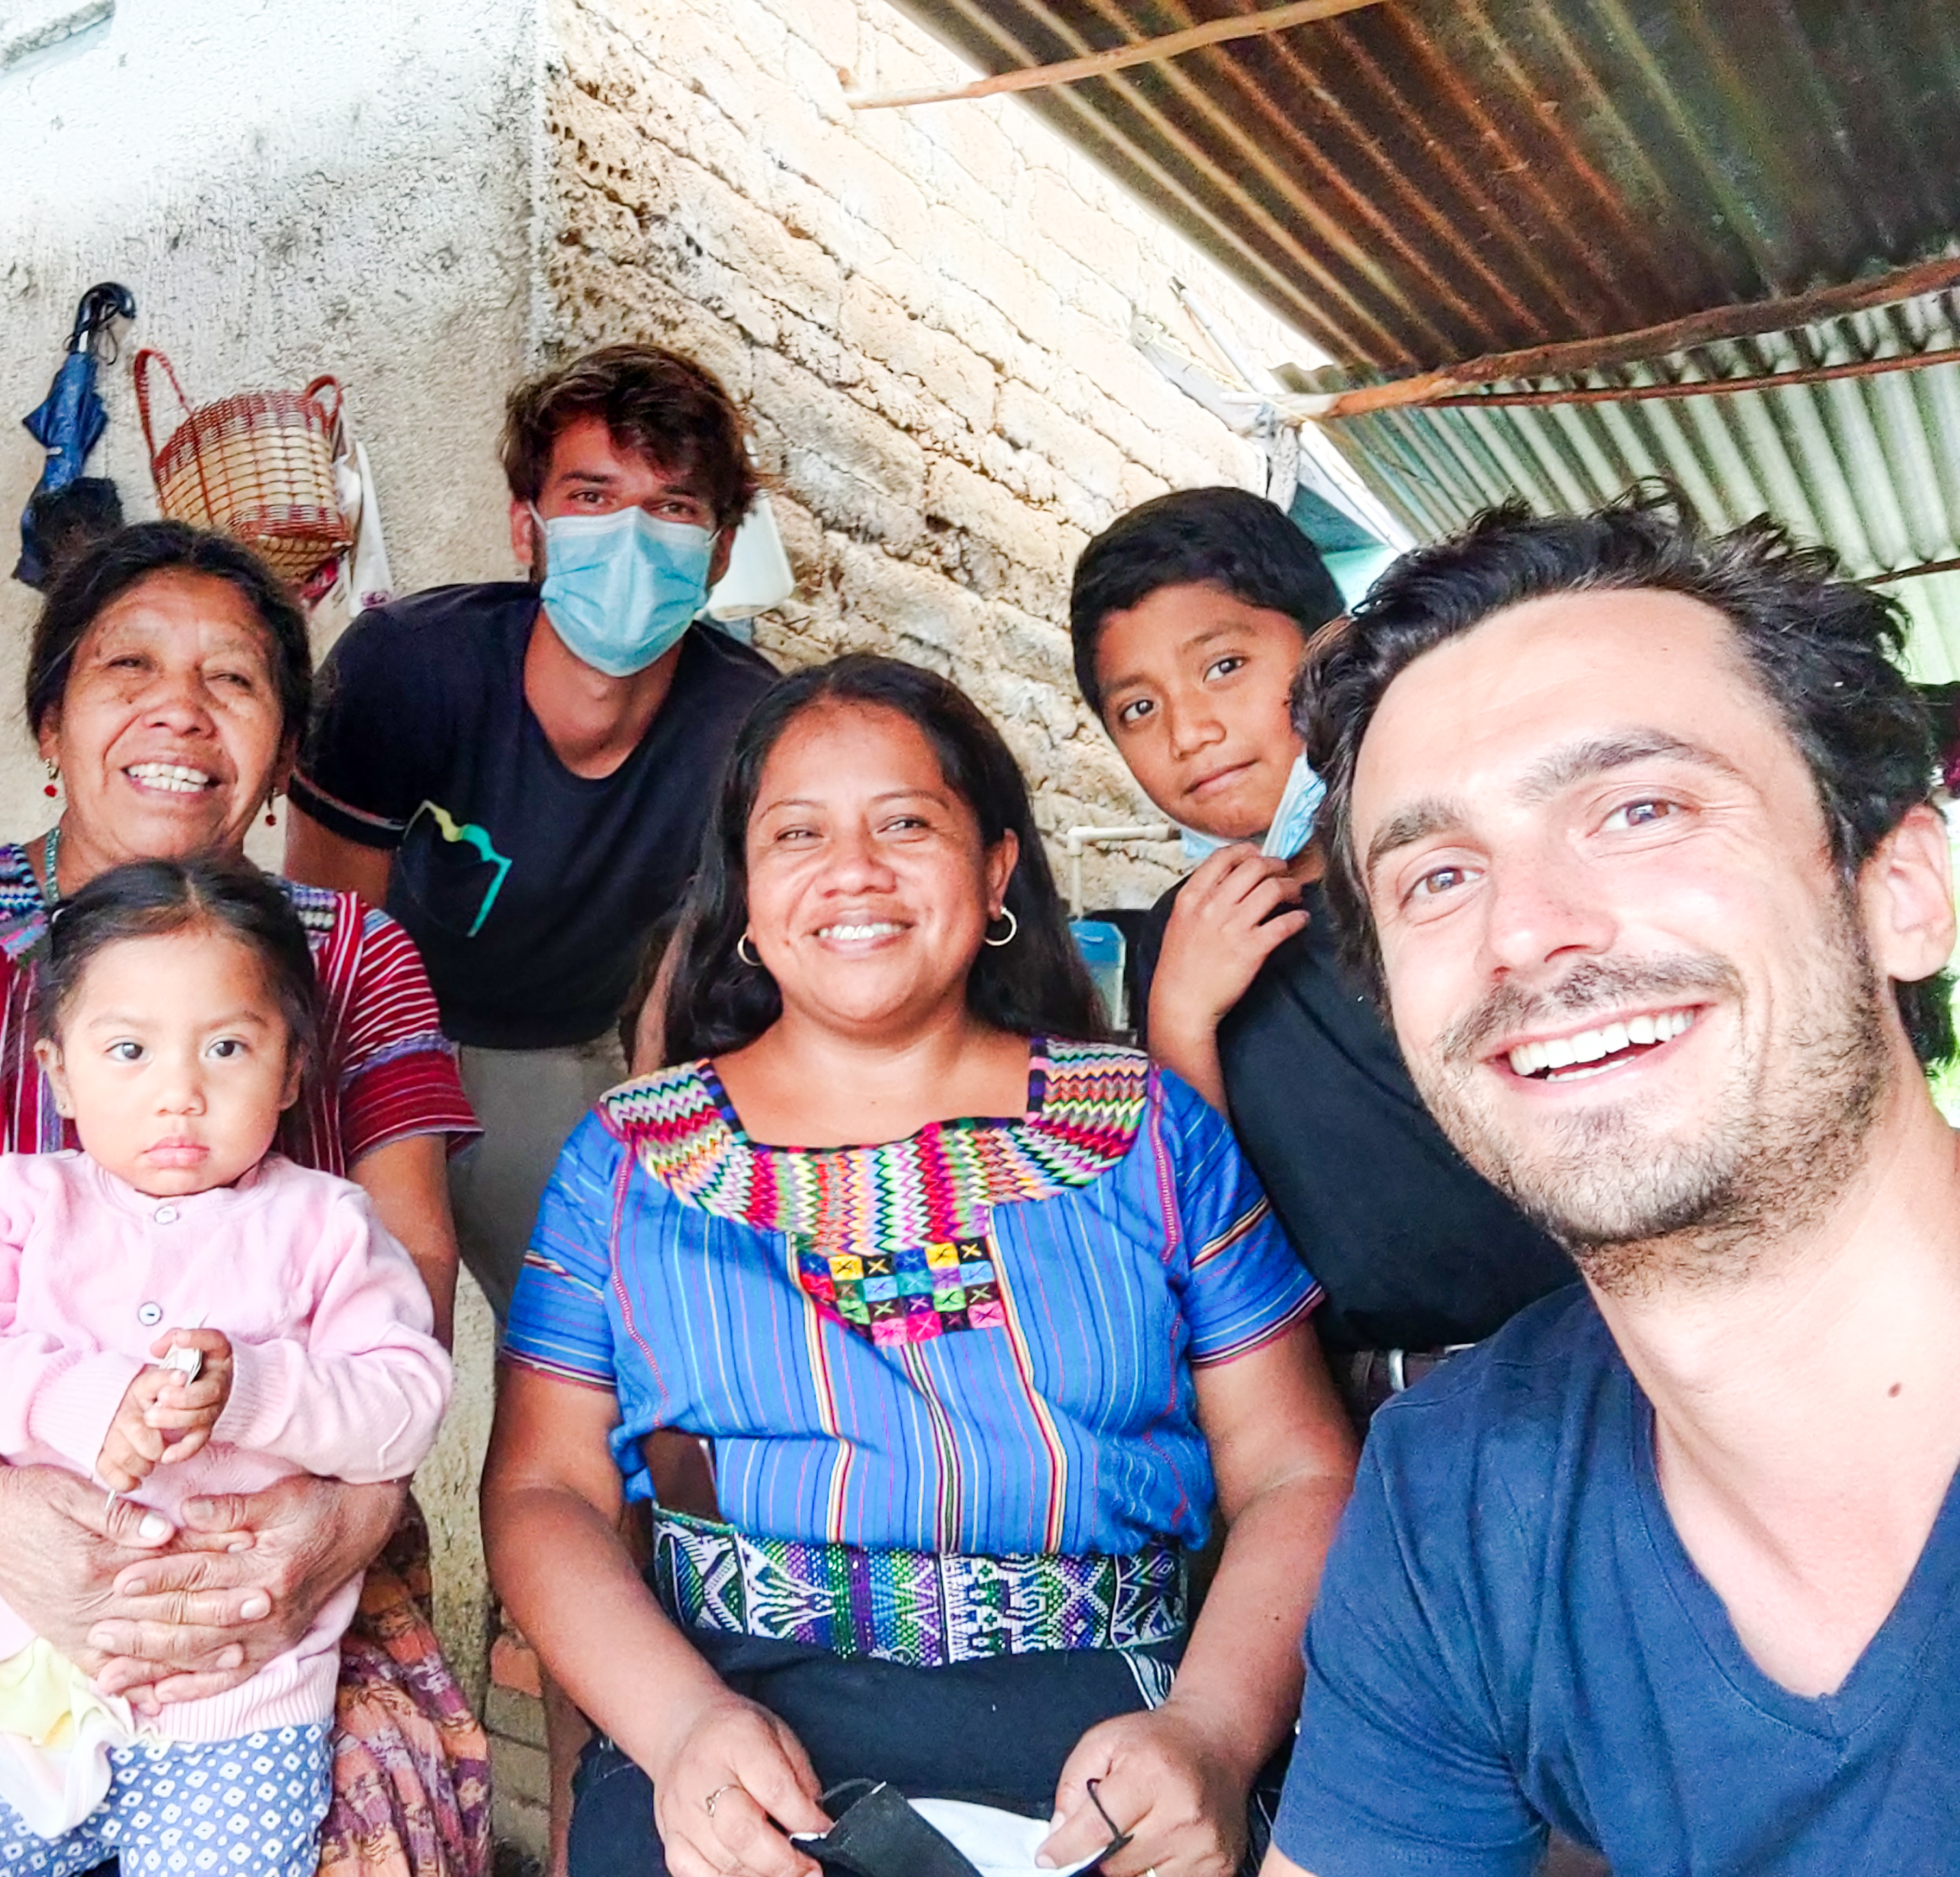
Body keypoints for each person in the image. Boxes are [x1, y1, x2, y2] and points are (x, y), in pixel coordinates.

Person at [0, 523, 491, 1877]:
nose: (182, 707)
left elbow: (408, 1260)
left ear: (285, 749)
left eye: (235, 680)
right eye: (129, 665)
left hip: (264, 1502)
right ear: (50, 720)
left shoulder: (351, 953)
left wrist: (328, 1535)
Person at [483, 654, 1358, 1877]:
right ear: (745, 888)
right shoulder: (630, 1160)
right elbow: (546, 1492)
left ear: (996, 867)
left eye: (907, 823)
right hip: (737, 1736)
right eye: (798, 833)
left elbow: (1294, 1467)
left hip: (1113, 1745)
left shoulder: (1149, 1131)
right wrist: (678, 1729)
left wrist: (1210, 1732)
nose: (854, 871)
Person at [1257, 493, 1960, 1875]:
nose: (1527, 931)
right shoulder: (1458, 1493)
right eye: (1439, 876)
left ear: (1903, 888)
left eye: (1639, 809)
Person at [0, 857, 452, 1877]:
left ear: (294, 1069)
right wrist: (77, 1400)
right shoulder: (15, 1209)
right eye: (127, 1049)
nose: (179, 1093)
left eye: (227, 1047)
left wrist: (257, 1391)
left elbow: (406, 1403)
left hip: (236, 1702)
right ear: (58, 1074)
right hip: (5, 1690)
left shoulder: (324, 1227)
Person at [287, 341, 777, 1318]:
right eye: (592, 498)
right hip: (375, 1047)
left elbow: (681, 987)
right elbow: (327, 936)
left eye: (674, 508)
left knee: (609, 1340)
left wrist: (653, 1162)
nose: (633, 538)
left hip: (555, 1057)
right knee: (343, 1345)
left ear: (721, 551)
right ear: (529, 527)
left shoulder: (753, 729)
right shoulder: (409, 667)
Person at [1069, 488, 1572, 1421]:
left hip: (1587, 1367)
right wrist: (1179, 1014)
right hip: (1354, 1408)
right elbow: (1195, 1218)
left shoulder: (1447, 864)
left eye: (1224, 665)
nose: (1190, 731)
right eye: (1138, 708)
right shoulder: (1183, 929)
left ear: (1330, 652)